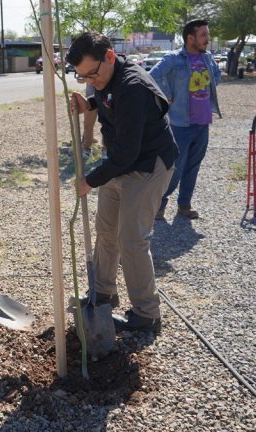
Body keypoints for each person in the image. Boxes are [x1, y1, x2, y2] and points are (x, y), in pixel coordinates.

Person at [67, 32, 178, 332]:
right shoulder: (104, 77)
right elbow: (104, 100)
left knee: (132, 239)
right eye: (83, 77)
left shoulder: (133, 87)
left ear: (110, 57)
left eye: (92, 74)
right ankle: (103, 293)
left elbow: (129, 153)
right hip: (120, 162)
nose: (91, 81)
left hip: (147, 165)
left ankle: (146, 313)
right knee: (105, 230)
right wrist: (88, 105)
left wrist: (89, 181)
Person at [149, 19, 222, 220]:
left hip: (202, 123)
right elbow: (153, 75)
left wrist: (208, 91)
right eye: (203, 35)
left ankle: (184, 206)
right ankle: (159, 204)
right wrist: (167, 93)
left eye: (207, 34)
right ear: (190, 38)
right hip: (180, 124)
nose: (207, 39)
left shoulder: (207, 58)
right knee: (175, 168)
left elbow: (217, 73)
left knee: (193, 166)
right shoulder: (174, 58)